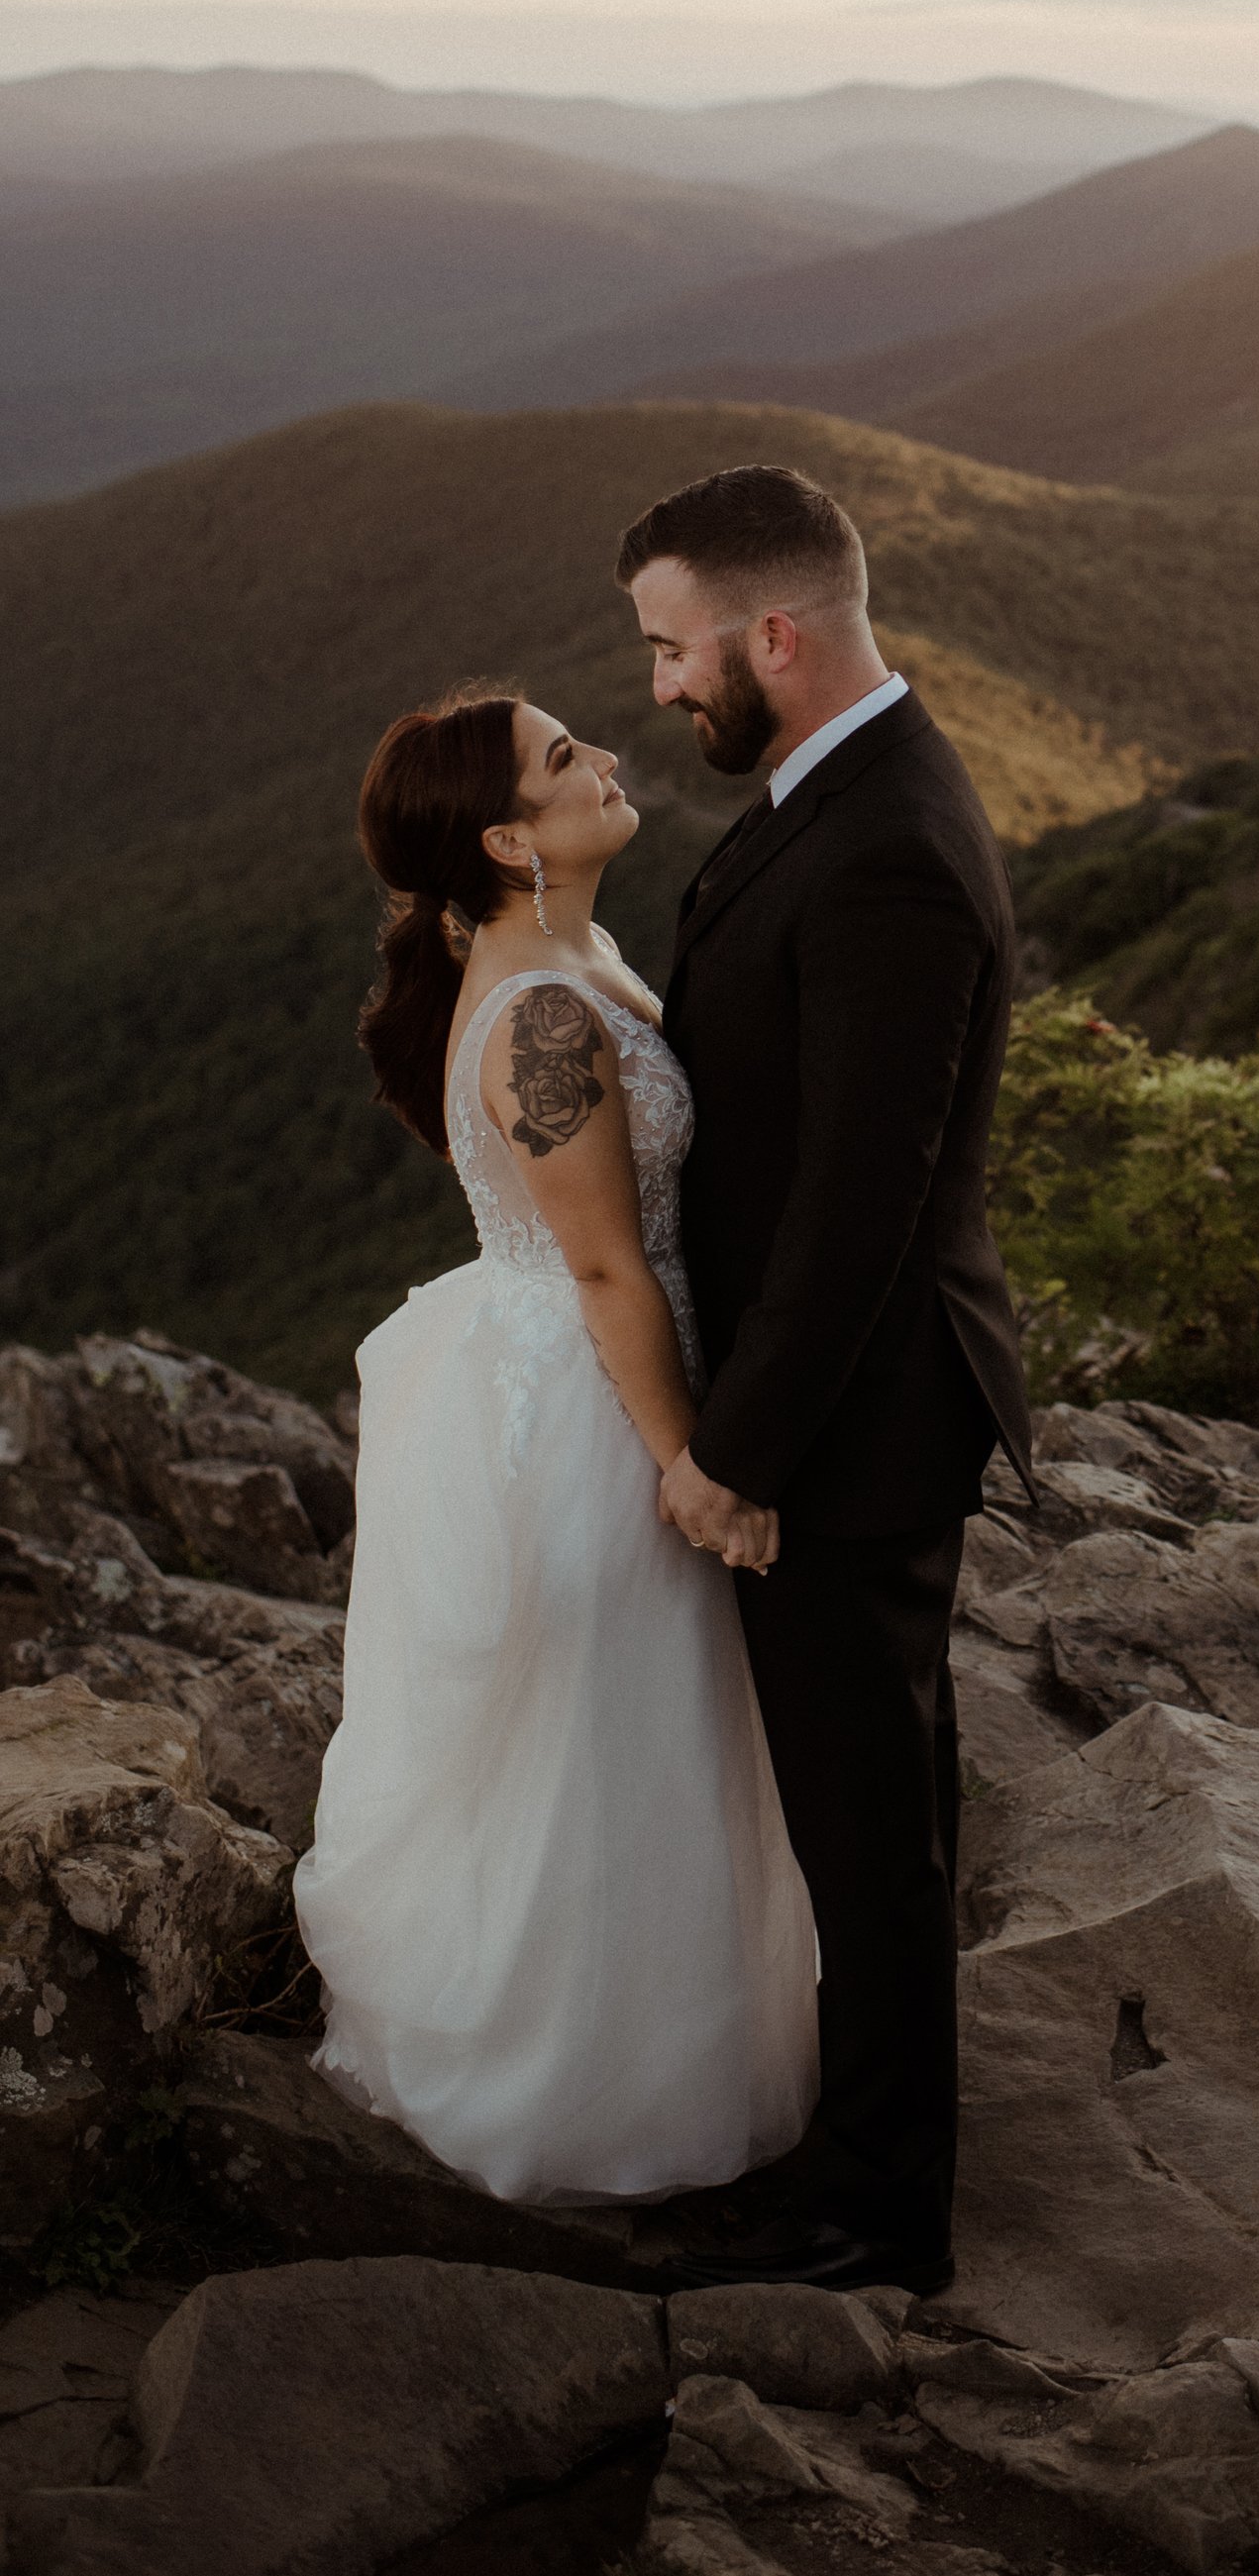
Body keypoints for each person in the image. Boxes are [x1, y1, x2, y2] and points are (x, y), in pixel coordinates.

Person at [293, 686, 818, 2206]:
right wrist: (691, 1466)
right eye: (561, 757)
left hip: (594, 1364)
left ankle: (668, 2064)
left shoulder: (568, 953)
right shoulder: (536, 1011)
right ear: (512, 839)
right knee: (615, 1746)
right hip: (594, 1399)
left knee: (640, 1737)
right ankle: (586, 2104)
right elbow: (603, 1268)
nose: (600, 757)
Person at [618, 464, 1033, 2300]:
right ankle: (853, 2157)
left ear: (770, 636)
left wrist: (733, 1450)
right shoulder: (829, 790)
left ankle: (876, 2215)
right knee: (858, 1807)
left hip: (855, 1431)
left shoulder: (889, 850)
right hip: (832, 1413)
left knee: (871, 1831)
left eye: (669, 646)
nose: (657, 688)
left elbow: (862, 1208)